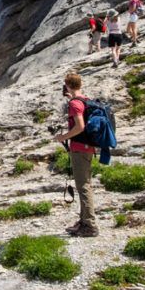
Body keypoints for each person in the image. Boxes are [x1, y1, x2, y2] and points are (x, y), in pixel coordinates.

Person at [54, 72, 98, 237]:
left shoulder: (74, 103)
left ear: (68, 85)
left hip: (80, 147)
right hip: (87, 147)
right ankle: (83, 221)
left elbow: (79, 126)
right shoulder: (85, 99)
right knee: (84, 184)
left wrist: (63, 137)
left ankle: (90, 226)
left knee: (83, 186)